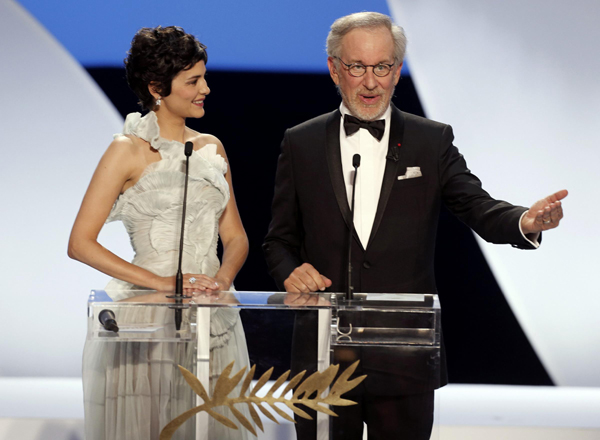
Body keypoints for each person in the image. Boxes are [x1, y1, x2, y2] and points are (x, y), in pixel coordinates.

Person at [263, 11, 567, 440]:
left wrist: (524, 220)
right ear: (334, 69)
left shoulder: (431, 139)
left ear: (398, 71)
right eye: (357, 67)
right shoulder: (302, 141)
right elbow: (278, 239)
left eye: (382, 67)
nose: (371, 82)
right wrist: (290, 271)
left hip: (404, 352)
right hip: (323, 353)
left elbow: (477, 205)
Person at [68, 26, 250, 440]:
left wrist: (221, 283)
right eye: (193, 81)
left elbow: (236, 237)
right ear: (156, 87)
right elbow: (80, 243)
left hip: (211, 316)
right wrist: (165, 282)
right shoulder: (125, 150)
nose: (205, 88)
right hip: (149, 316)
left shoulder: (211, 148)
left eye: (204, 77)